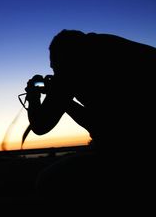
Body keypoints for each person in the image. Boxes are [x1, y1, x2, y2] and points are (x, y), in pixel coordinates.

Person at [24, 29, 156, 201]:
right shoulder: (117, 48)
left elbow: (41, 125)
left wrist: (33, 96)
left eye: (55, 66)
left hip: (137, 156)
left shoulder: (72, 60)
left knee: (48, 181)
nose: (56, 73)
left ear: (60, 58)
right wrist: (64, 100)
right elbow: (104, 123)